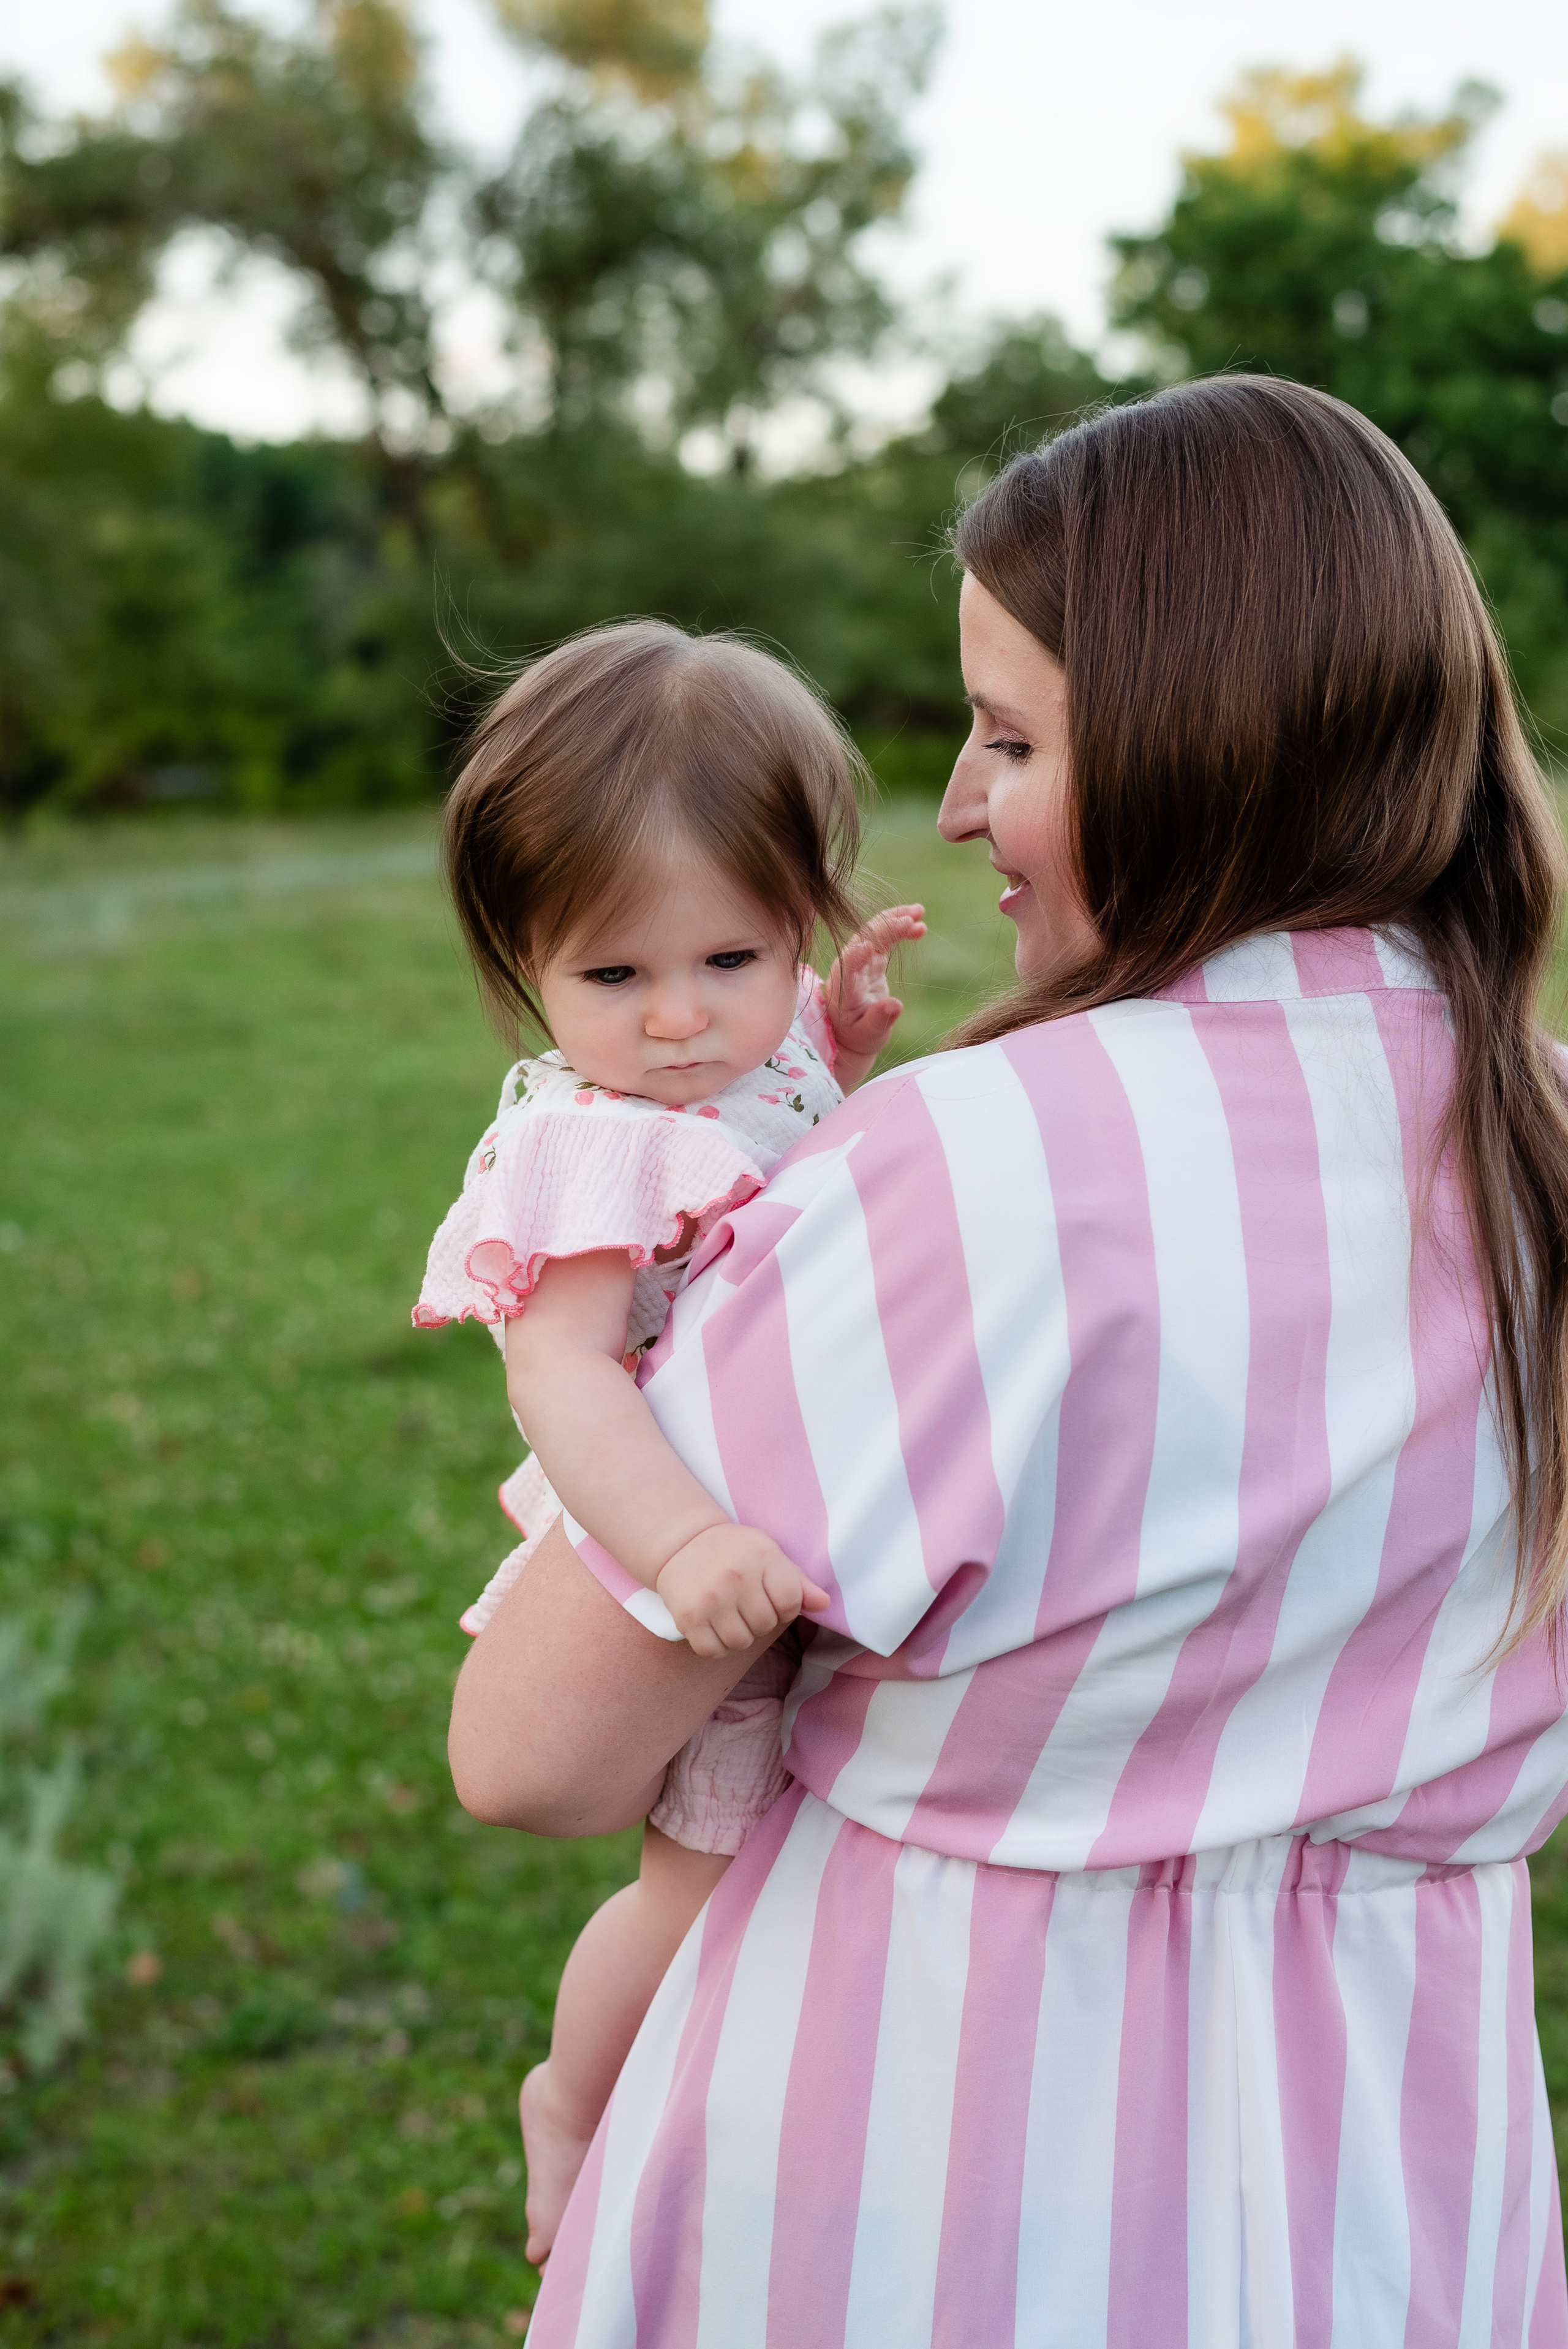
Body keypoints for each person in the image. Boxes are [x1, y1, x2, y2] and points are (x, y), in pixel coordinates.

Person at [450, 377, 1568, 2347]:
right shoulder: (1545, 1147)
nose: (959, 802)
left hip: (922, 2164)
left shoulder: (978, 1166)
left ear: (1195, 740)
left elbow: (535, 1752)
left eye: (1015, 734)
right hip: (1402, 2181)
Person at [413, 619, 923, 2259]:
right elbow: (561, 1375)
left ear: (796, 919)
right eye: (613, 977)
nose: (686, 1022)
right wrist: (684, 1544)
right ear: (527, 970)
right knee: (693, 1893)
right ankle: (574, 2093)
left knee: (804, 1890)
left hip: (786, 1553)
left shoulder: (752, 1054)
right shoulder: (593, 1144)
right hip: (674, 1558)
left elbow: (772, 1131)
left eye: (735, 957)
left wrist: (830, 1045)